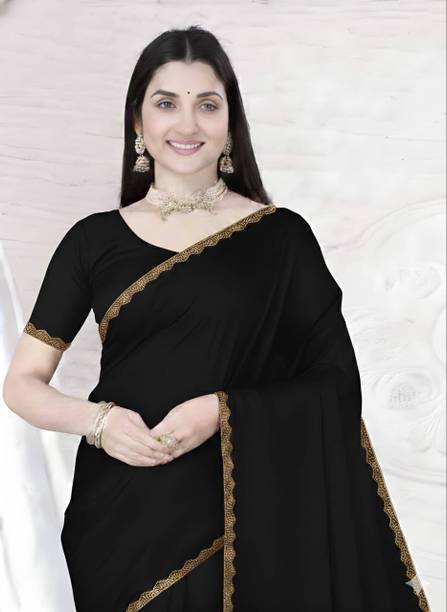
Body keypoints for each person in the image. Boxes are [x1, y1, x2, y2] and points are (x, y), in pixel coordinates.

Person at [3, 25, 430, 612]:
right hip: (121, 519)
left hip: (250, 518)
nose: (187, 124)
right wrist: (98, 422)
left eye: (207, 104)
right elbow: (21, 384)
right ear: (137, 121)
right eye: (166, 104)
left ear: (231, 122)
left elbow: (336, 385)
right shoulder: (92, 241)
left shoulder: (281, 239)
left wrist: (219, 411)